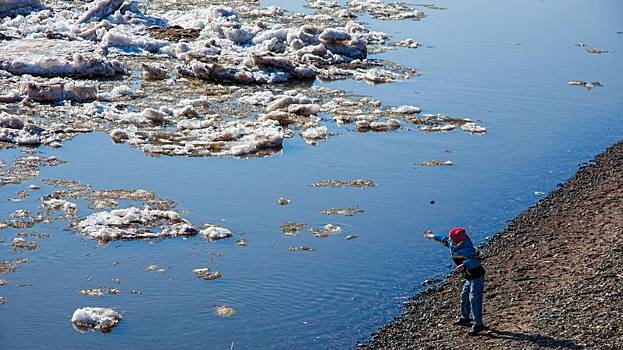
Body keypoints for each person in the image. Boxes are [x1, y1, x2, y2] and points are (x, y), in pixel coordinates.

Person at [424, 227, 486, 336]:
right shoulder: (453, 242)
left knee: (475, 299)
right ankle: (465, 318)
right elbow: (443, 239)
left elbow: (476, 261)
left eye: (451, 238)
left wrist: (464, 265)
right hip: (468, 276)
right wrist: (432, 236)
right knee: (464, 296)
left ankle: (478, 324)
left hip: (476, 276)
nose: (449, 239)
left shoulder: (467, 249)